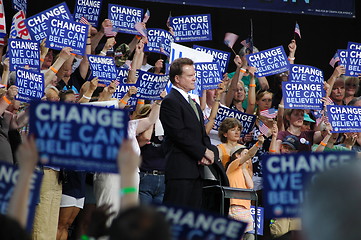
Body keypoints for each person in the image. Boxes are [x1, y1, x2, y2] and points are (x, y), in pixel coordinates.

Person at [160, 57, 216, 208]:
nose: (194, 78)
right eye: (190, 75)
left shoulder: (193, 103)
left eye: (194, 74)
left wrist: (207, 151)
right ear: (177, 78)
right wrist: (202, 151)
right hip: (180, 172)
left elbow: (202, 133)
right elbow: (179, 134)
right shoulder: (170, 101)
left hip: (196, 171)